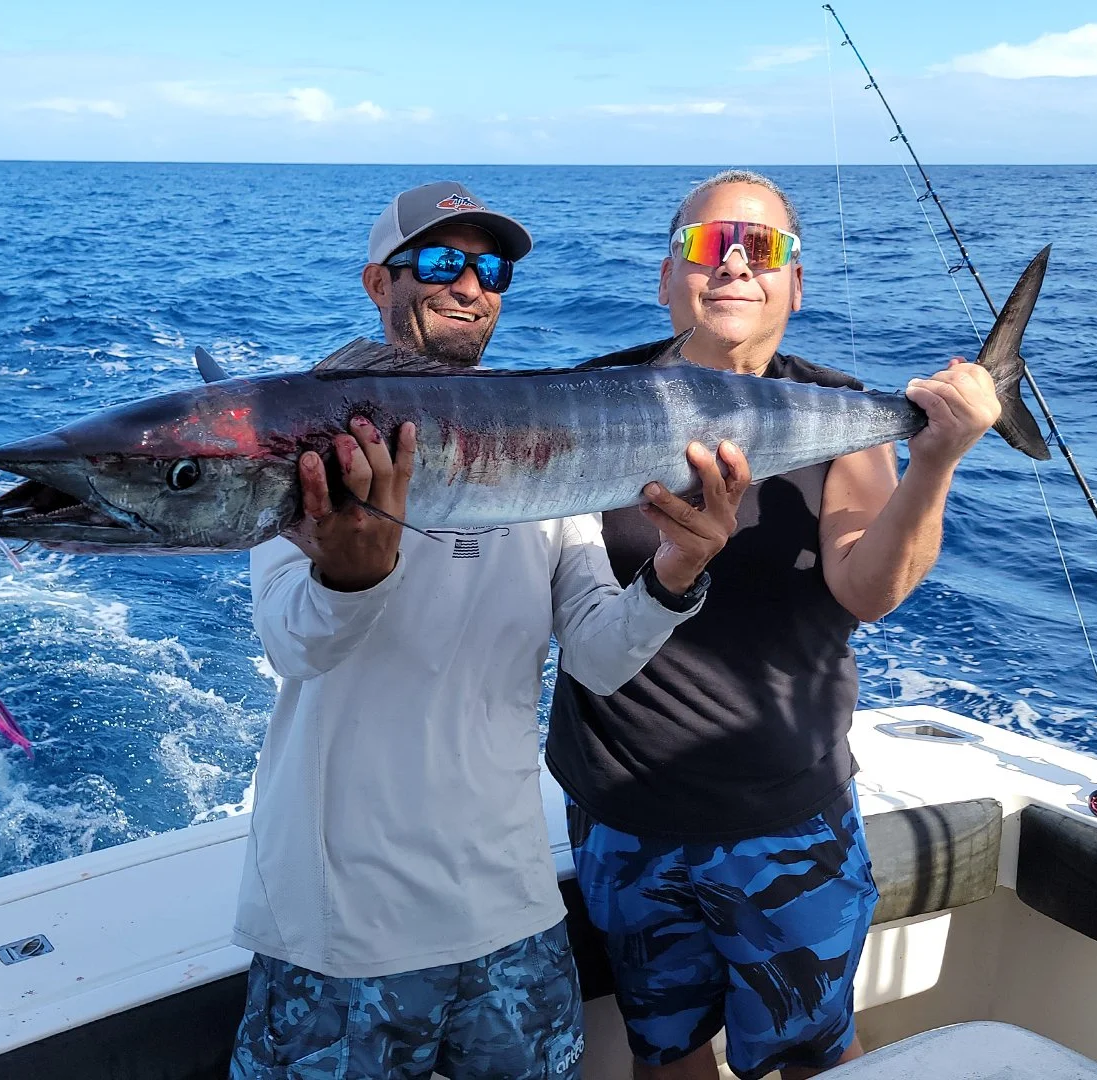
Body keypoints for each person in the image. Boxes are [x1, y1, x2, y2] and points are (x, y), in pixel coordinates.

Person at [230, 181, 750, 1079]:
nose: (469, 286)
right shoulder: (311, 433)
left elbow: (595, 650)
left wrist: (675, 573)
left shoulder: (544, 442)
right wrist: (351, 575)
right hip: (339, 929)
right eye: (440, 262)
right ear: (376, 282)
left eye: (490, 268)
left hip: (511, 914)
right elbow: (294, 645)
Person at [545, 170, 1007, 1080]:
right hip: (620, 814)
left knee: (809, 1058)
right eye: (708, 244)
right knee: (664, 1052)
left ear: (797, 284)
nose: (733, 266)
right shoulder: (591, 399)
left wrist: (935, 461)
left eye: (764, 249)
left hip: (787, 818)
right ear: (666, 275)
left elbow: (866, 586)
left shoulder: (842, 413)